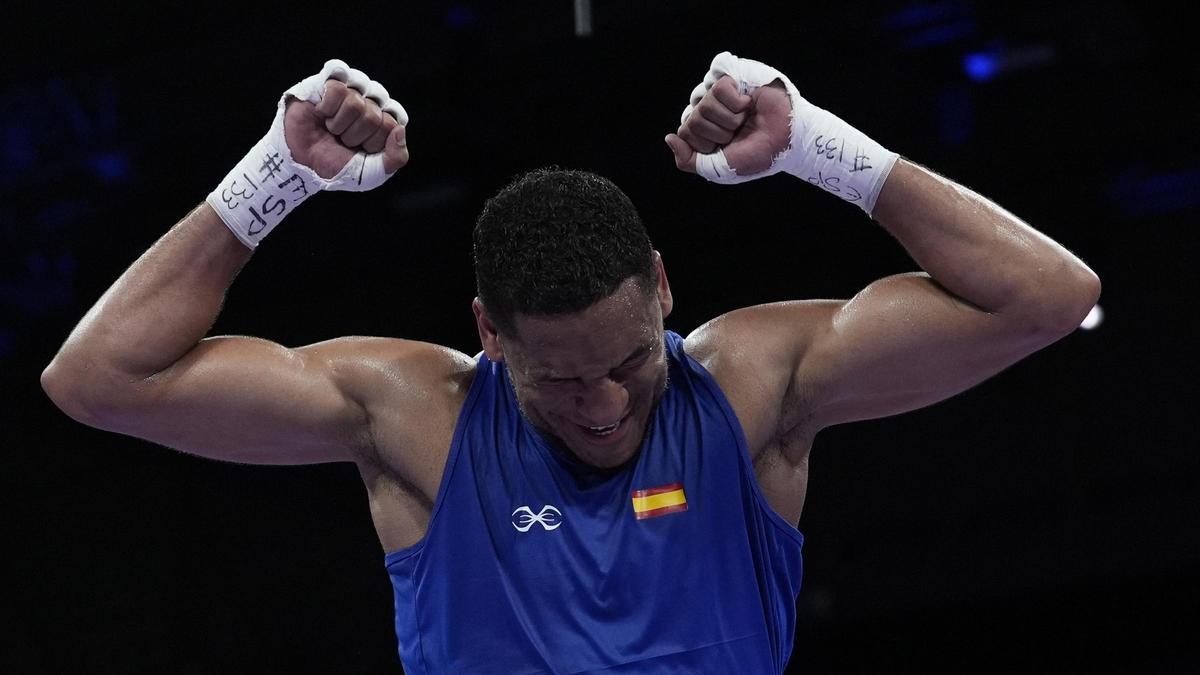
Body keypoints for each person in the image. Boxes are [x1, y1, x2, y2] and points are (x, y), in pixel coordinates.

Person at [42, 52, 1099, 673]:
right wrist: (277, 176)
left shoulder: (745, 383)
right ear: (488, 333)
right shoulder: (421, 412)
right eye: (556, 378)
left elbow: (1051, 297)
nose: (601, 404)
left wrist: (816, 147)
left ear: (664, 287)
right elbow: (97, 382)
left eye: (629, 362)